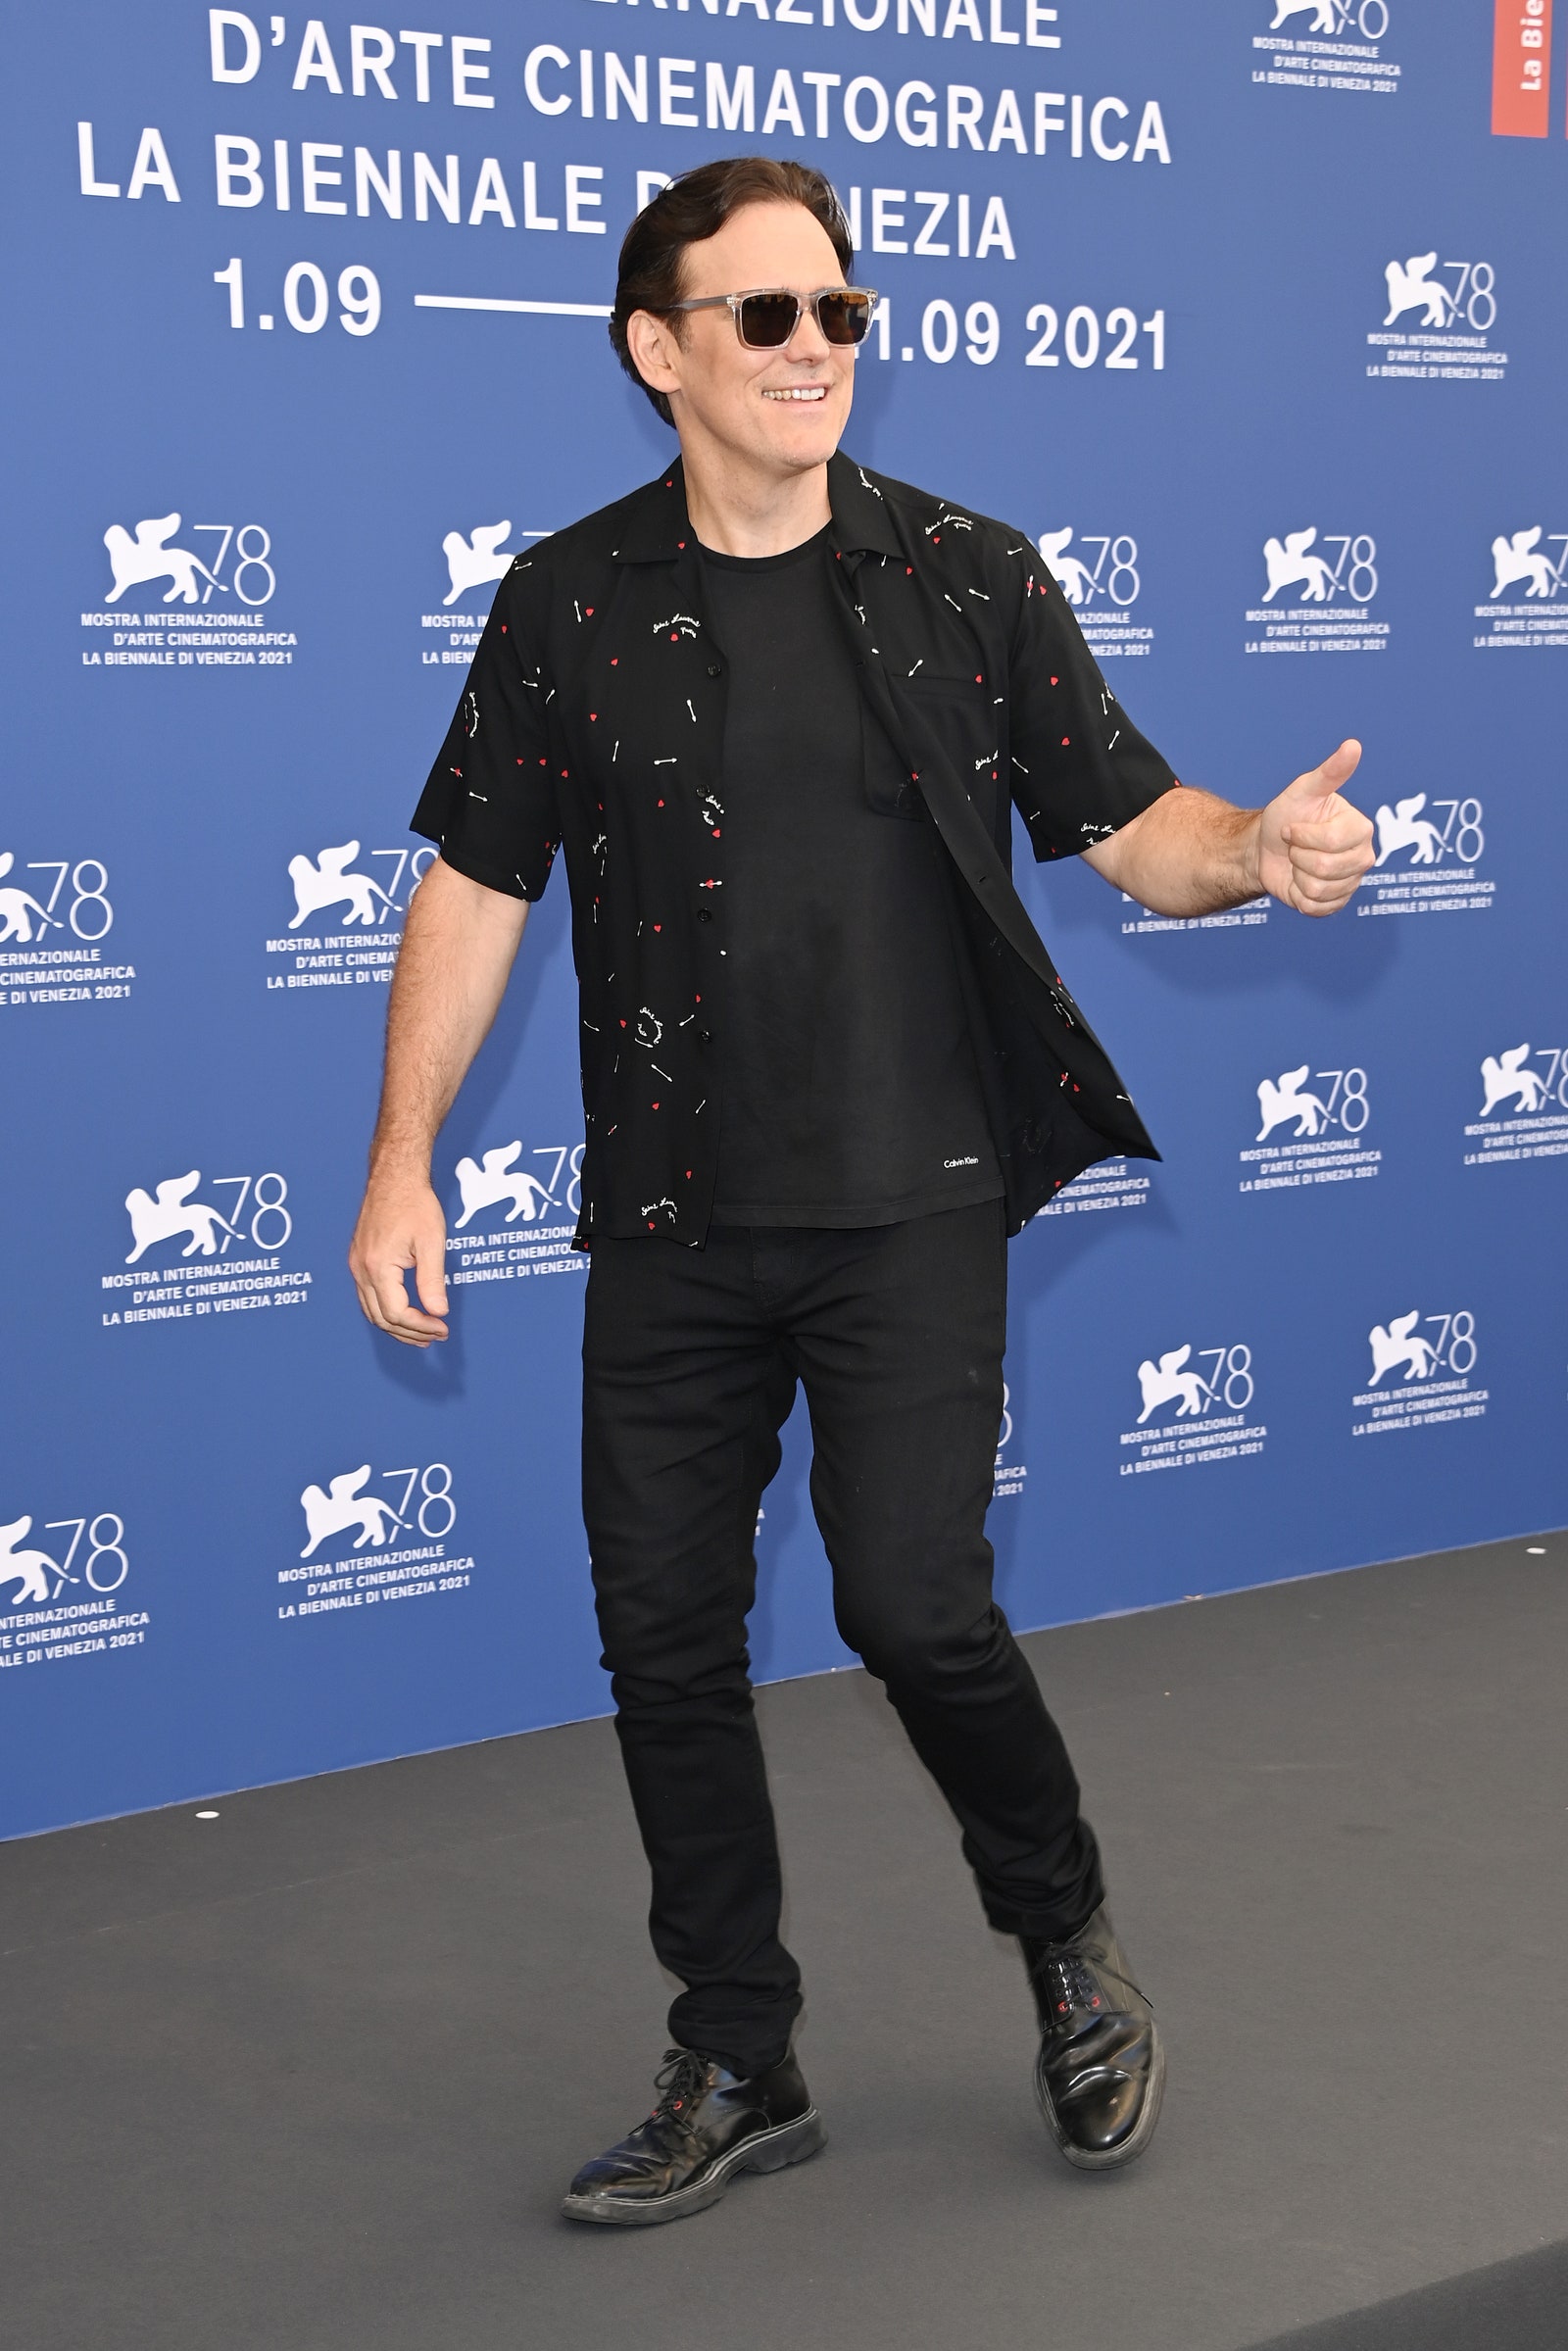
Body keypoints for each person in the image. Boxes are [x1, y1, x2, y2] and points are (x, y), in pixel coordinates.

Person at [349, 156, 1374, 2228]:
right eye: (764, 317)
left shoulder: (966, 579)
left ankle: (1063, 1937)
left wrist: (1249, 851)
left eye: (838, 311)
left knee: (909, 1600)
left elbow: (1127, 819)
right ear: (660, 353)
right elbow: (469, 883)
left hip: (912, 1194)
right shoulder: (567, 603)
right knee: (663, 1636)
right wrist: (400, 1157)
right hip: (667, 1209)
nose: (814, 347)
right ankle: (736, 2048)